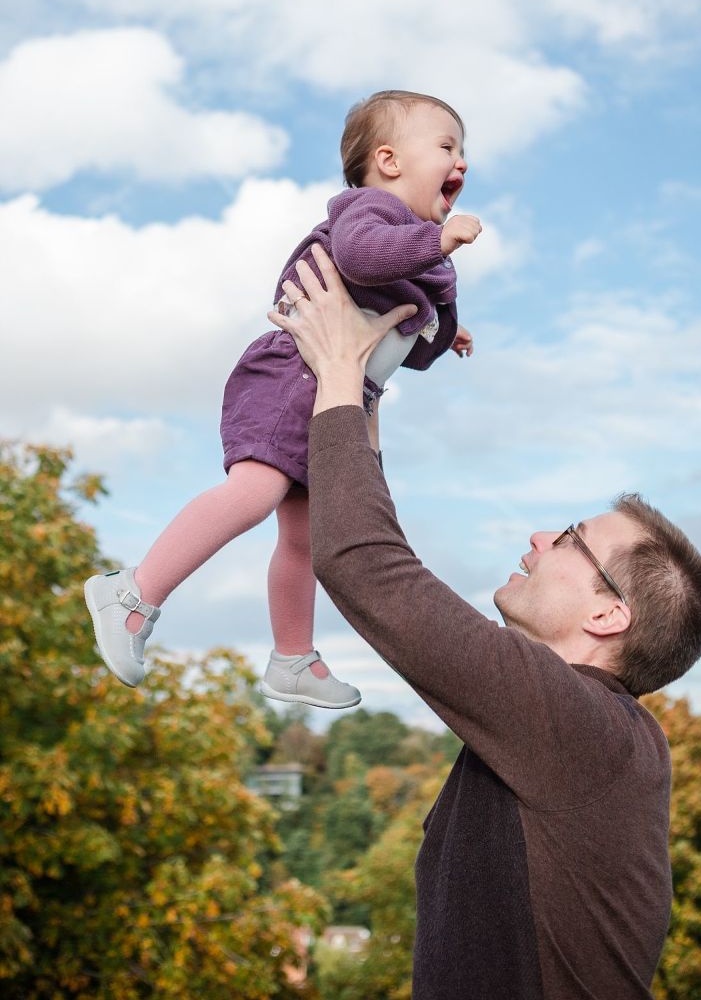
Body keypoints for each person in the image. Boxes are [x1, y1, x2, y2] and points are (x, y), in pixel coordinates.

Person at [268, 244, 701, 999]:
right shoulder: (584, 733)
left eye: (571, 538)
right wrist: (366, 399)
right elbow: (377, 551)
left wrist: (341, 373)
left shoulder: (582, 726)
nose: (542, 538)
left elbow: (368, 567)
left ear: (610, 613)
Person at [84, 90, 481, 709]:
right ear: (389, 160)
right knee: (254, 491)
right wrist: (439, 245)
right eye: (447, 147)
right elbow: (359, 257)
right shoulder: (371, 213)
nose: (462, 163)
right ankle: (134, 592)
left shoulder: (411, 250)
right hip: (290, 377)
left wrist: (440, 328)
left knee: (306, 537)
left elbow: (406, 340)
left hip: (331, 395)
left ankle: (292, 657)